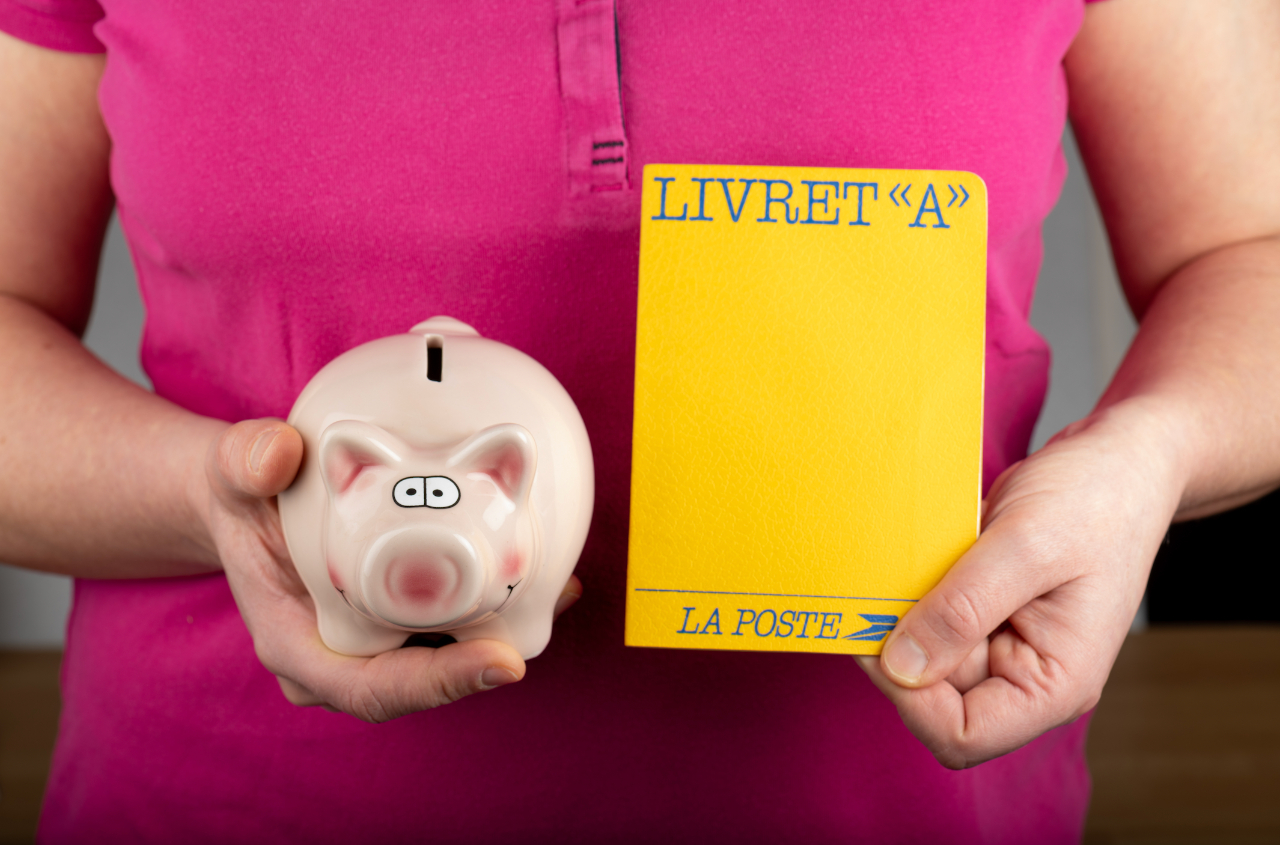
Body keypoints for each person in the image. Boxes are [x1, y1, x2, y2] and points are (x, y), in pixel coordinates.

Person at [1, 0, 1277, 841]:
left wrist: (1146, 458)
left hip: (888, 802)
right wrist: (209, 497)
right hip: (229, 798)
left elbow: (1246, 254)